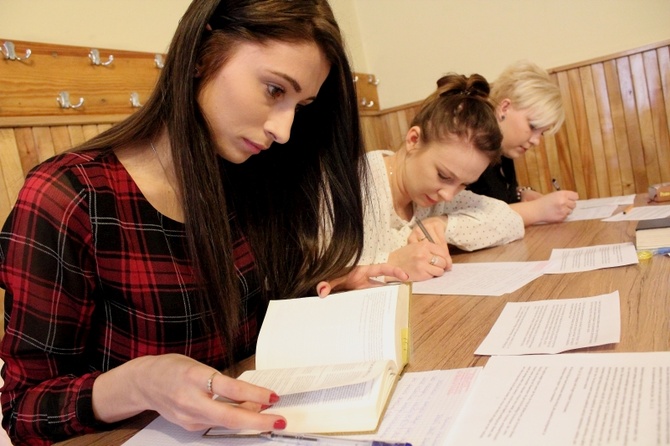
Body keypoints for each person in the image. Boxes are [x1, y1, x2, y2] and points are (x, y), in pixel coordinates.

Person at [0, 0, 406, 444]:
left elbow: (249, 324)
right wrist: (137, 383)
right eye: (274, 90)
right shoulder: (72, 195)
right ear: (201, 54)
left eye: (300, 105)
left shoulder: (250, 176)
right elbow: (23, 411)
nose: (285, 130)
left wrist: (325, 290)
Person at [361, 73, 525, 282]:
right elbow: (320, 270)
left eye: (463, 184)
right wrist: (390, 263)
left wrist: (443, 224)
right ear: (413, 140)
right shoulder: (359, 185)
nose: (448, 195)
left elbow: (511, 221)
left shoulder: (435, 199)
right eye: (443, 175)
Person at [467, 61, 579, 225]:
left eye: (541, 133)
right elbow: (463, 219)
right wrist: (537, 210)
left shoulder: (504, 149)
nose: (536, 141)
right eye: (533, 126)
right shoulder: (470, 146)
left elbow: (494, 199)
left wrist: (521, 194)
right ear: (504, 108)